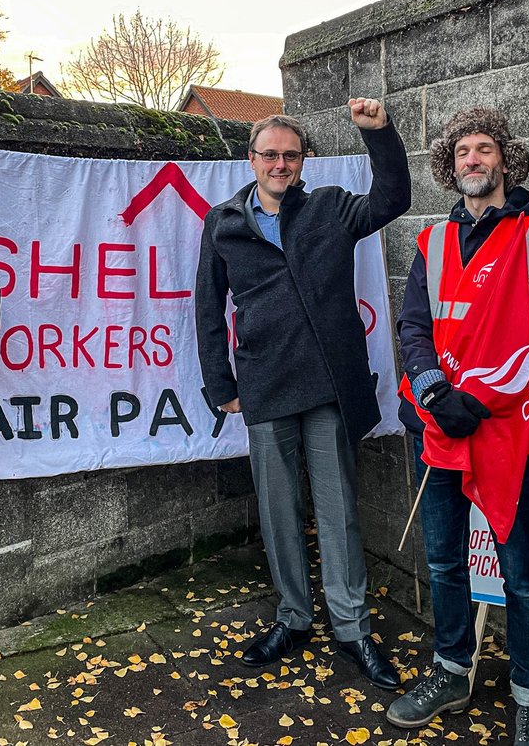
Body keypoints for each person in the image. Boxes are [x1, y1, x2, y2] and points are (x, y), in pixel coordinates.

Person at [195, 102, 410, 690]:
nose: (281, 163)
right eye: (271, 154)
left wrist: (379, 134)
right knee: (279, 512)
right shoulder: (223, 222)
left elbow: (393, 199)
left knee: (338, 511)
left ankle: (353, 628)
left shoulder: (332, 207)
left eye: (291, 154)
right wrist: (222, 387)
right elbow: (207, 310)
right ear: (252, 159)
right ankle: (293, 618)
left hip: (328, 383)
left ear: (302, 160)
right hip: (264, 386)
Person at [387, 108, 529, 745]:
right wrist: (439, 394)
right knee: (444, 564)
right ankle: (451, 672)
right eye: (462, 150)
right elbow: (414, 326)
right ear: (450, 165)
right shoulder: (431, 243)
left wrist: (478, 401)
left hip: (506, 431)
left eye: (484, 148)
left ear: (505, 158)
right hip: (441, 425)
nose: (473, 159)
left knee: (520, 573)